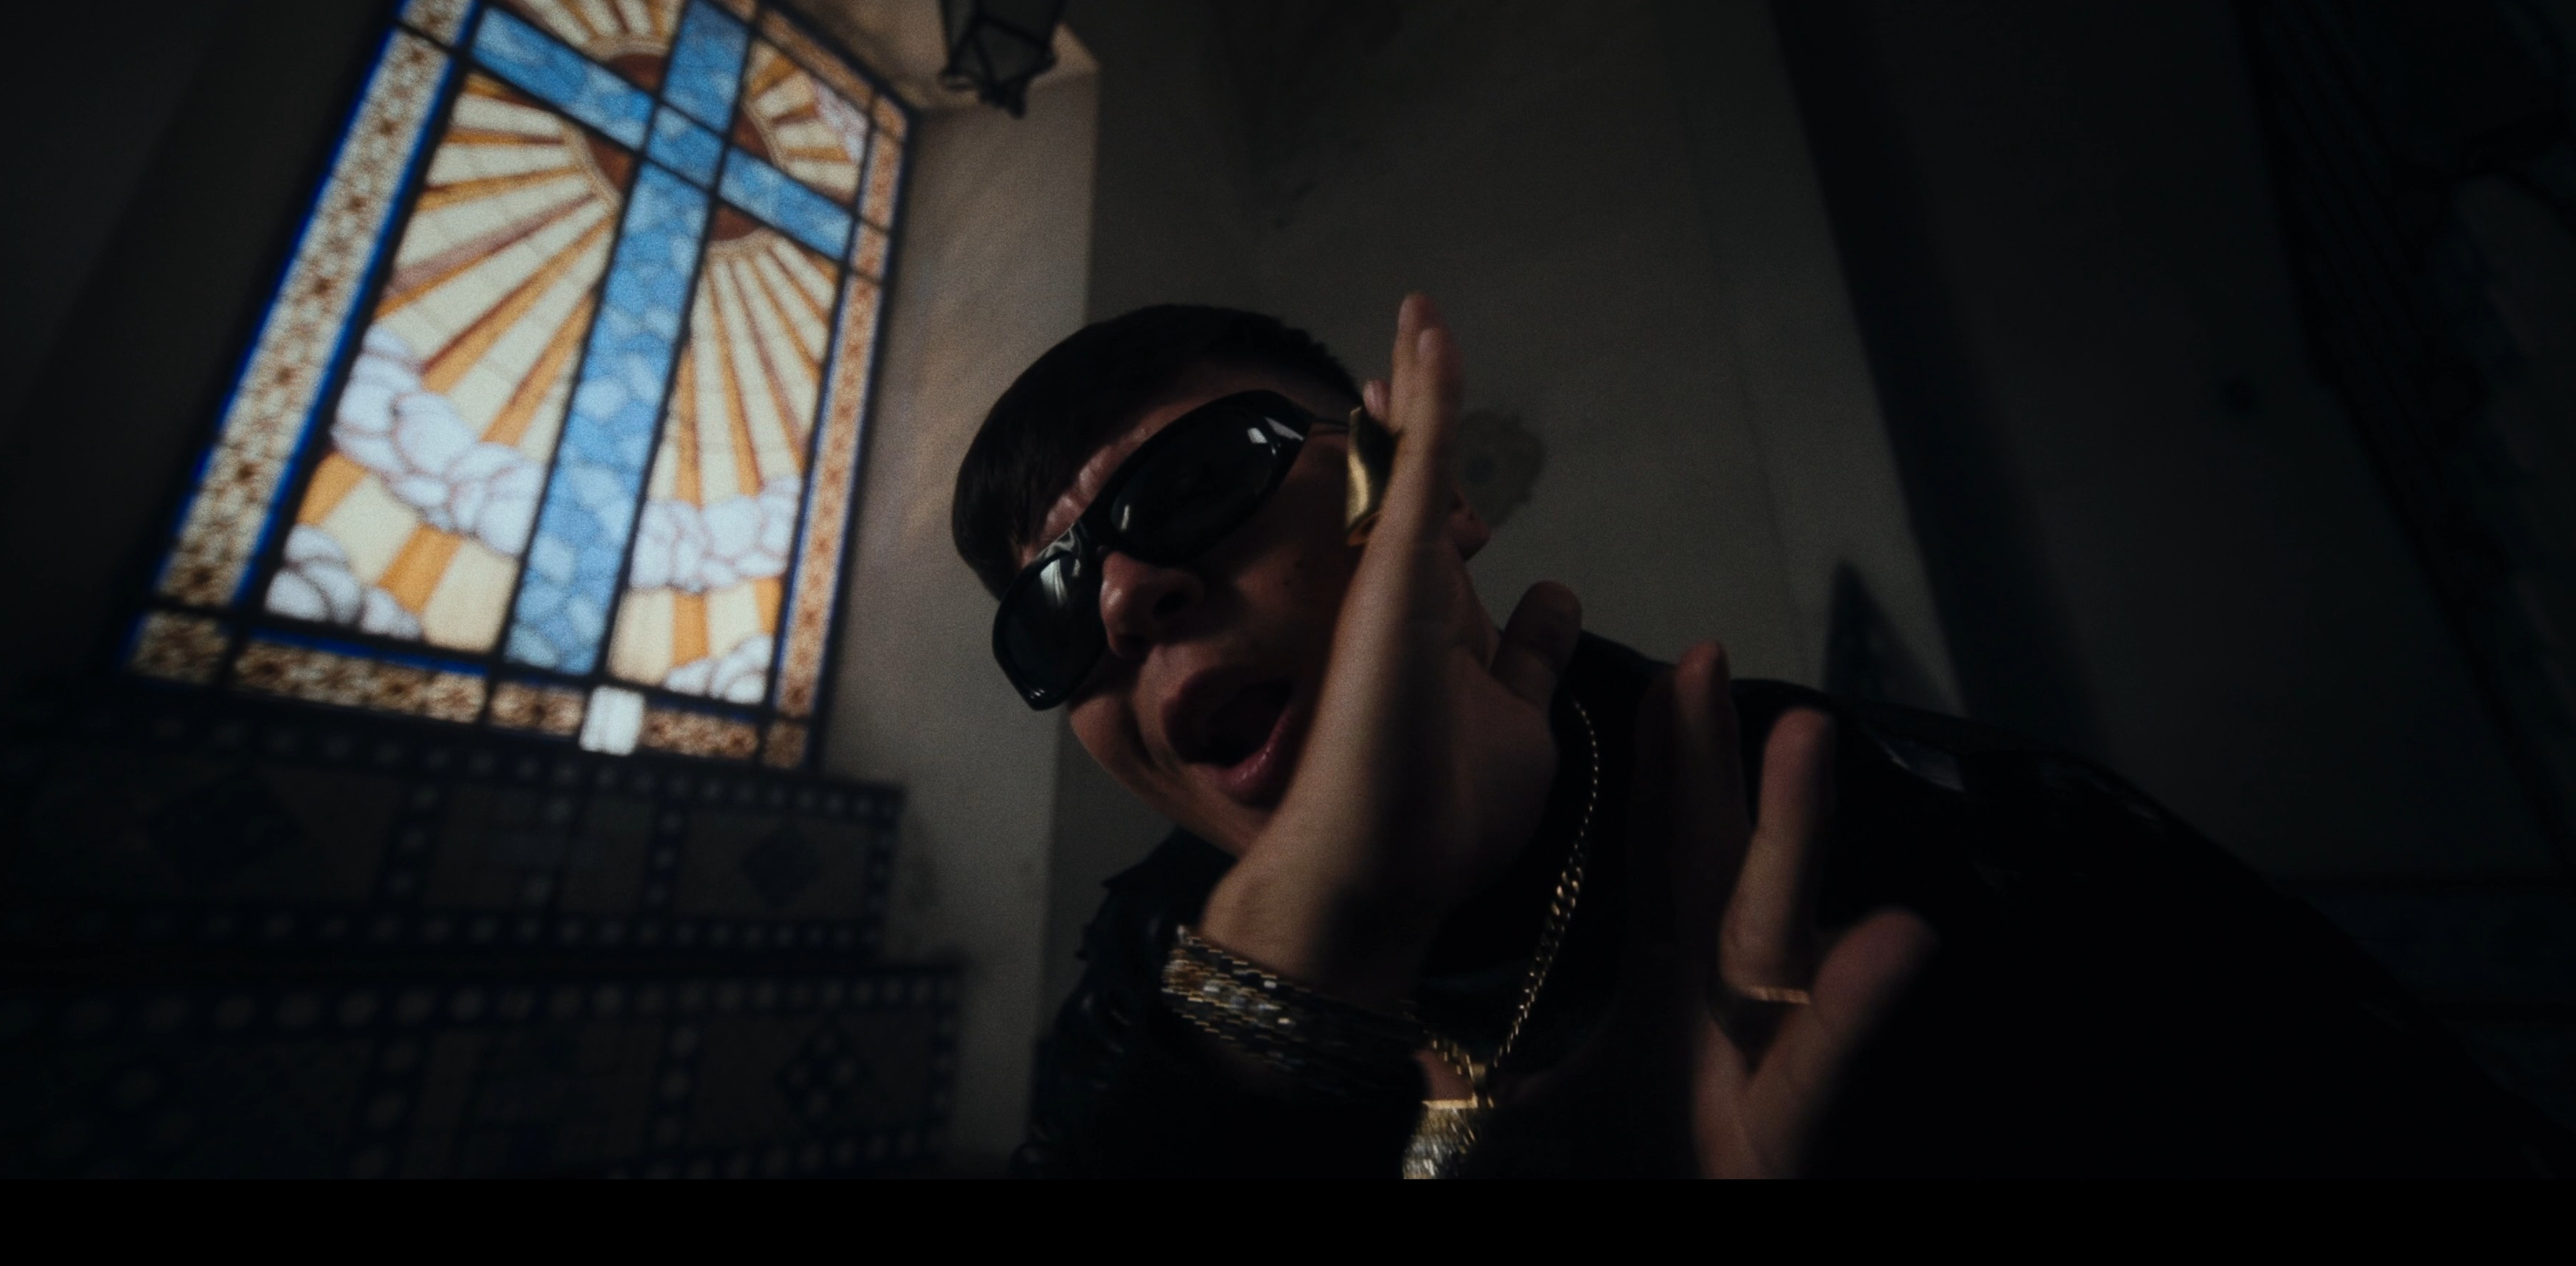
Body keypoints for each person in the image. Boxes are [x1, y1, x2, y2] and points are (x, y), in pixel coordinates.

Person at [957, 296, 2569, 1178]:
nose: (1124, 603)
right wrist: (1268, 1025)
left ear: (1421, 493)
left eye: (1196, 483)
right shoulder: (1148, 973)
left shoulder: (1898, 827)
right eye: (1047, 616)